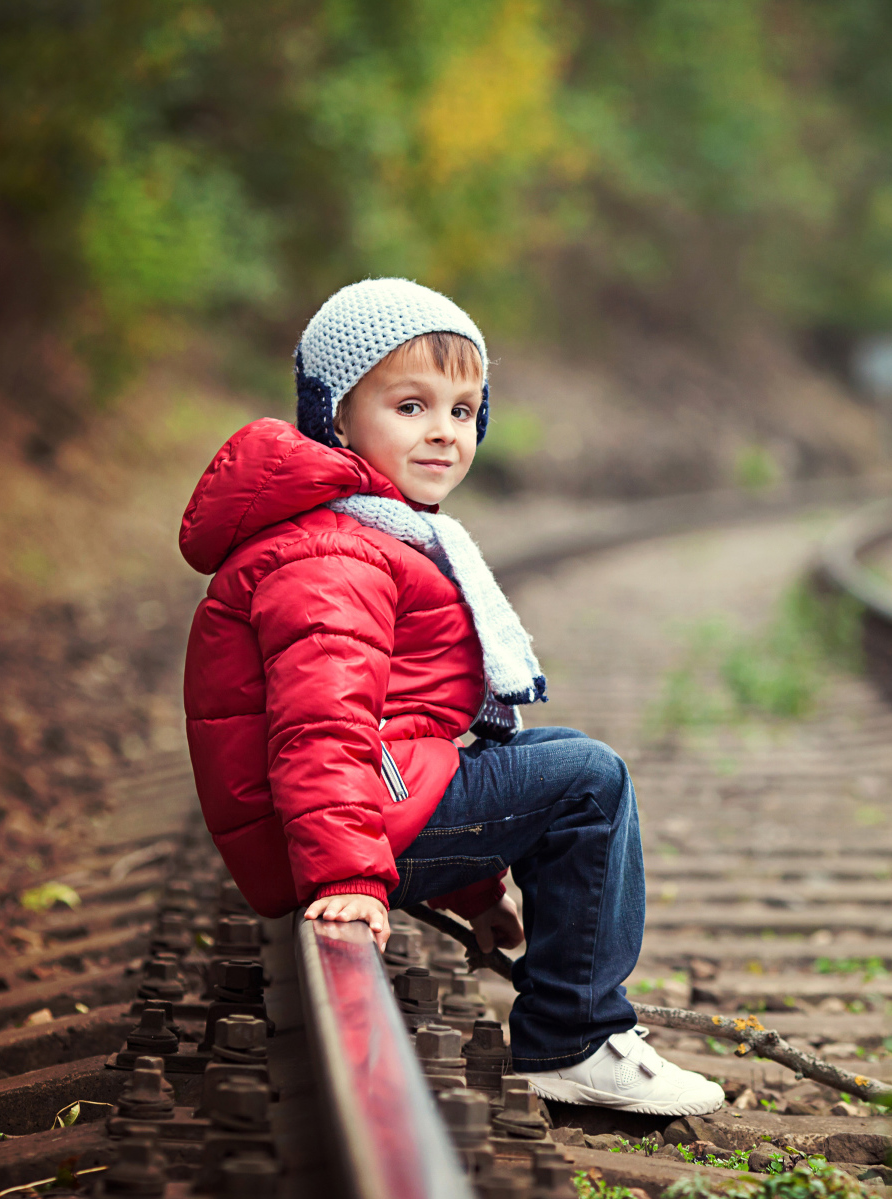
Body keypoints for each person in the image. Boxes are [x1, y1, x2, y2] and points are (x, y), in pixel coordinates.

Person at [180, 278, 723, 1115]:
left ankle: (569, 1016)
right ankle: (574, 1038)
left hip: (354, 805)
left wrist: (472, 888)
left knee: (550, 757)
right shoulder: (337, 554)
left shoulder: (359, 527)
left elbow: (403, 735)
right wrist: (351, 877)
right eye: (409, 405)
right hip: (326, 830)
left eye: (465, 410)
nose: (444, 432)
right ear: (334, 415)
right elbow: (322, 731)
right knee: (589, 778)